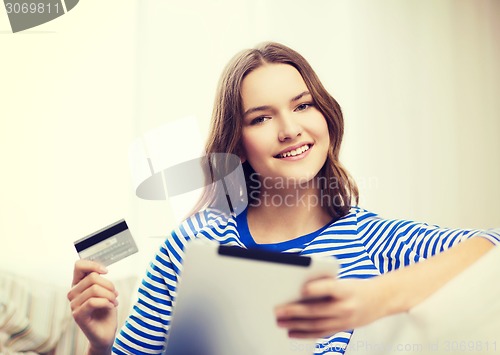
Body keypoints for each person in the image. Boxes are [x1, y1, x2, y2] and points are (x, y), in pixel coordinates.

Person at [67, 42, 500, 355]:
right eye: (261, 117)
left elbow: (492, 246)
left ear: (326, 117)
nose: (289, 129)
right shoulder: (192, 242)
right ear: (237, 145)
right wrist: (100, 345)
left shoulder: (373, 240)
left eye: (303, 106)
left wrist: (373, 299)